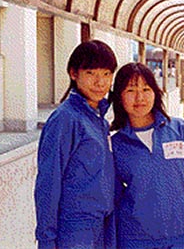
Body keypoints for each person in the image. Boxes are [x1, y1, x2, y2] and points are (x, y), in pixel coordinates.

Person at [109, 62, 184, 249]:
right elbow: (113, 200)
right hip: (135, 240)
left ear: (156, 92)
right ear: (119, 97)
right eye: (130, 90)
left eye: (146, 89)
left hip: (182, 238)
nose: (139, 97)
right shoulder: (115, 144)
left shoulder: (180, 130)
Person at [34, 40, 118, 249]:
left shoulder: (99, 118)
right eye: (91, 73)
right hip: (74, 230)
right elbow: (48, 182)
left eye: (106, 74)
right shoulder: (66, 119)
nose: (100, 82)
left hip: (102, 225)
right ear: (74, 73)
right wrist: (46, 239)